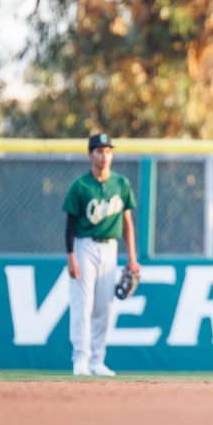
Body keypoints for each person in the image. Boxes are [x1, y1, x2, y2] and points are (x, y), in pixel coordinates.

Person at [62, 132, 140, 376]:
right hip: (85, 245)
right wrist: (70, 256)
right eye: (99, 151)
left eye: (108, 151)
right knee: (82, 304)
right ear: (90, 154)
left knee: (104, 307)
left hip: (110, 247)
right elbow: (70, 224)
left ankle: (97, 360)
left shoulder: (121, 184)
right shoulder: (81, 185)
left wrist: (132, 257)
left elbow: (127, 222)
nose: (105, 156)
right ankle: (80, 360)